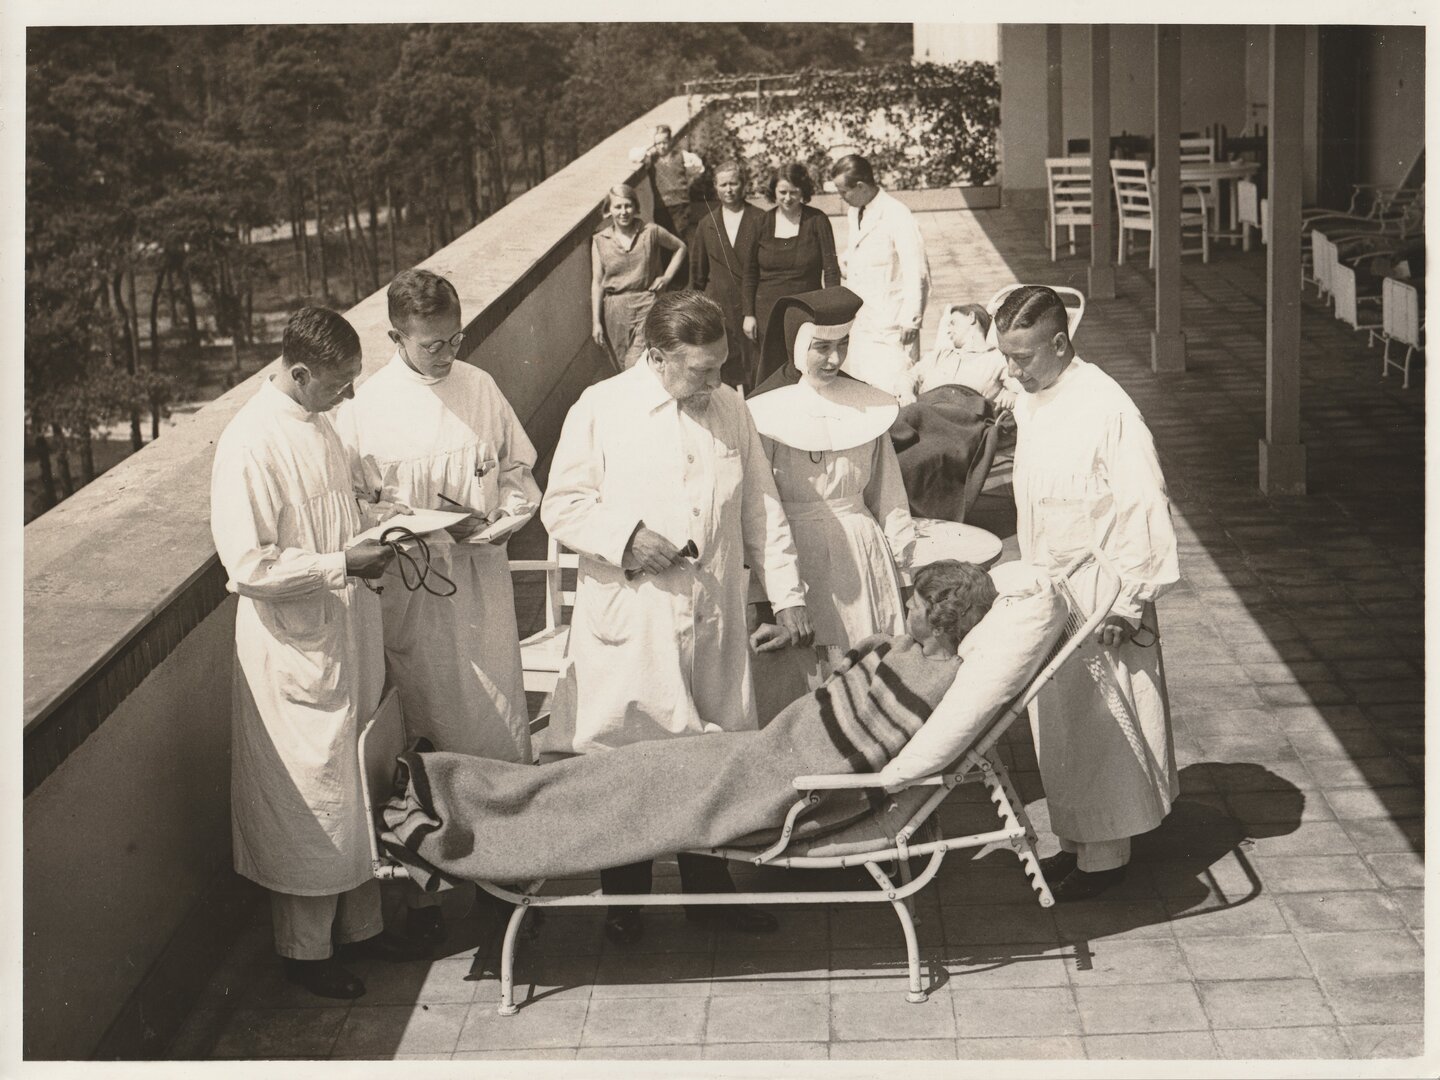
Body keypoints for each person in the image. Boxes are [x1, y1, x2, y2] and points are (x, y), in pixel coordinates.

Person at [382, 562, 993, 888]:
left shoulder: (933, 681)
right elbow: (842, 697)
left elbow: (858, 753)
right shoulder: (903, 651)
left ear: (939, 616)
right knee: (619, 774)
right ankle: (455, 792)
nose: (905, 606)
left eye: (916, 601)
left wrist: (786, 758)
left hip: (781, 783)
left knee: (625, 788)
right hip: (767, 754)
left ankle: (459, 815)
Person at [540, 290, 813, 945]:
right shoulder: (602, 409)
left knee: (710, 757)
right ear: (657, 357)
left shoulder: (730, 410)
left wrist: (788, 591)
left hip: (711, 615)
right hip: (634, 622)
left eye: (719, 366)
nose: (713, 381)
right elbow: (563, 505)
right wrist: (626, 537)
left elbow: (759, 506)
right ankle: (624, 904)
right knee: (630, 764)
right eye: (700, 371)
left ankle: (711, 900)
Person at [209, 307, 427, 1001]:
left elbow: (340, 514)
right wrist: (339, 563)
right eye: (340, 383)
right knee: (313, 798)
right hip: (296, 650)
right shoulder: (249, 443)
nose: (350, 396)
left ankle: (363, 929)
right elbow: (247, 566)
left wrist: (381, 523)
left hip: (347, 632)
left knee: (358, 780)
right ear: (299, 374)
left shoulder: (321, 420)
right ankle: (305, 953)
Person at [333, 269, 542, 947]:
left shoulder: (479, 387)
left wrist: (504, 518)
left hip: (479, 593)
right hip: (411, 602)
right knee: (416, 741)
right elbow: (354, 505)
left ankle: (501, 881)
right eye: (431, 344)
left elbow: (517, 475)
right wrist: (402, 518)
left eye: (455, 338)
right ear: (395, 337)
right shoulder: (365, 410)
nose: (447, 353)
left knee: (493, 730)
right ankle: (423, 899)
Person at [994, 285, 1180, 902]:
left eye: (1022, 357)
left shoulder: (1108, 408)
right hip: (1052, 580)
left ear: (1059, 342)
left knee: (1102, 725)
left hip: (1101, 588)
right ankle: (1077, 841)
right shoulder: (1035, 394)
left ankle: (1106, 859)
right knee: (1063, 722)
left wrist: (1127, 606)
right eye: (1006, 356)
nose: (1011, 370)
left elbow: (1142, 506)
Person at [747, 286, 914, 696]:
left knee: (869, 676)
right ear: (797, 345)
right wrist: (781, 595)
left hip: (864, 555)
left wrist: (907, 573)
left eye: (843, 345)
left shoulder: (868, 406)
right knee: (808, 683)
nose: (835, 359)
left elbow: (889, 498)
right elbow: (760, 510)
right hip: (796, 555)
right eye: (821, 347)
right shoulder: (764, 414)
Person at [830, 154, 931, 403]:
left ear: (861, 187)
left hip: (893, 324)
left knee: (893, 390)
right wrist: (844, 261)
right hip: (863, 320)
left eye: (843, 192)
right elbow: (860, 250)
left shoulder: (897, 214)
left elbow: (917, 271)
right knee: (864, 388)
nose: (842, 198)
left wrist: (911, 320)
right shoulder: (857, 212)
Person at [743, 163, 841, 378]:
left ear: (803, 192)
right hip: (767, 313)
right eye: (782, 192)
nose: (788, 198)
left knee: (805, 367)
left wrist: (833, 311)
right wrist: (749, 314)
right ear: (774, 192)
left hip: (806, 311)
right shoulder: (760, 223)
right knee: (769, 370)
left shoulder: (817, 220)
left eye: (794, 192)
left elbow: (831, 270)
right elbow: (749, 273)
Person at [591, 183, 687, 373]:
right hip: (614, 310)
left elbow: (680, 247)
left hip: (646, 302)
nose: (624, 212)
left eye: (628, 205)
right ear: (609, 210)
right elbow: (597, 282)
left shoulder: (650, 231)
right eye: (618, 207)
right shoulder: (600, 240)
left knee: (635, 364)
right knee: (620, 366)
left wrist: (666, 277)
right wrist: (596, 322)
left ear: (635, 207)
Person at [689, 160, 765, 390]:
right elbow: (697, 275)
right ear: (715, 186)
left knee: (755, 367)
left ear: (744, 185)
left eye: (734, 183)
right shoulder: (706, 224)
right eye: (723, 185)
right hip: (719, 308)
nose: (729, 189)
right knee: (724, 372)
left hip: (752, 307)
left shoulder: (761, 219)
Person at [630, 123, 705, 239]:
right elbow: (634, 157)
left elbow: (698, 168)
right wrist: (650, 145)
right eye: (658, 143)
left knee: (680, 237)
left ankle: (684, 257)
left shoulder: (681, 156)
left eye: (664, 142)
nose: (662, 146)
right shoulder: (651, 159)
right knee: (664, 240)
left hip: (680, 205)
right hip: (661, 206)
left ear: (670, 141)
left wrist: (687, 183)